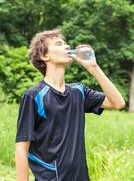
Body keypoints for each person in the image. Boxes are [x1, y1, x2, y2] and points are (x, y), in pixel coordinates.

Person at [15, 29, 125, 181]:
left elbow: (118, 103)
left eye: (66, 43)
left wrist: (93, 67)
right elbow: (21, 147)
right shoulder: (33, 96)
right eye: (59, 44)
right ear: (44, 55)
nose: (67, 46)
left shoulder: (79, 91)